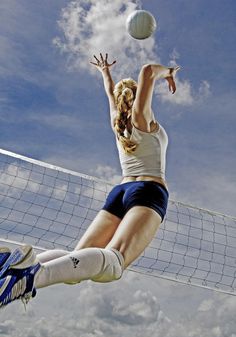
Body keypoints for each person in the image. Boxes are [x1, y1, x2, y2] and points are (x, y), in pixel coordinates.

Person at [0, 54, 179, 308]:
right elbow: (149, 70)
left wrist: (105, 72)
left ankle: (17, 269)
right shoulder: (143, 118)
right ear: (138, 96)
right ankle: (27, 278)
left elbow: (109, 92)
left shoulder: (118, 124)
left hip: (121, 191)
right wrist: (169, 71)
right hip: (149, 191)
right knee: (114, 263)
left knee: (77, 261)